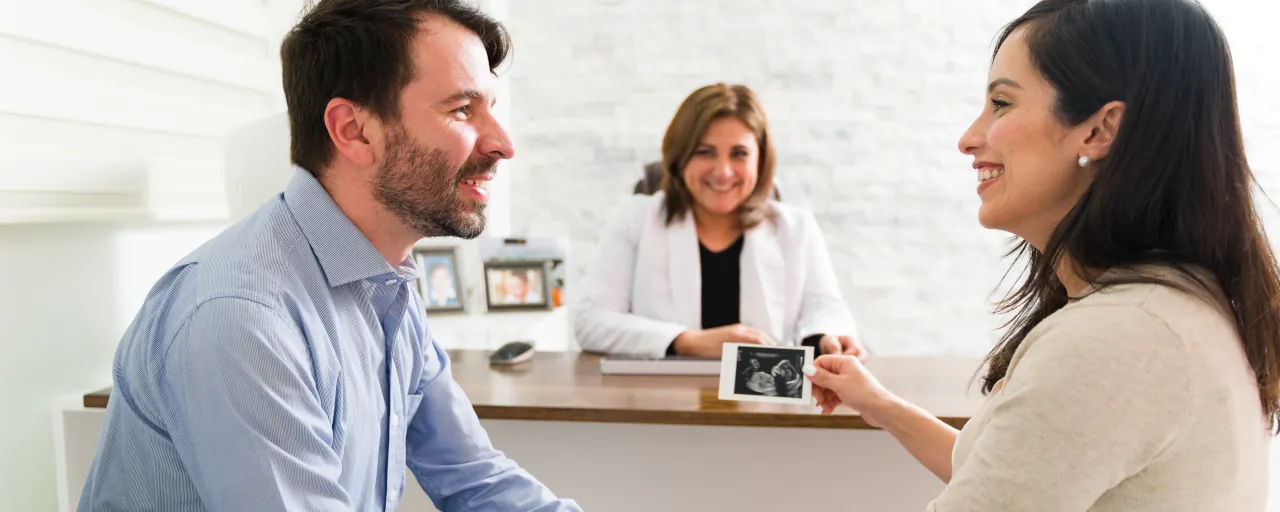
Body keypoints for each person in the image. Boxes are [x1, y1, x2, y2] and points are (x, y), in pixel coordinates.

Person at [77, 1, 580, 511]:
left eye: (492, 109)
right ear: (353, 130)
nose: (503, 143)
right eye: (461, 110)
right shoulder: (241, 316)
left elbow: (476, 479)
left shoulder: (385, 284)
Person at [803, 1, 1278, 510]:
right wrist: (879, 404)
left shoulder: (1116, 338)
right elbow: (1016, 471)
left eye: (1002, 104)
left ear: (1099, 131)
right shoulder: (1170, 306)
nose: (969, 139)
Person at [574, 83, 865, 360]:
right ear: (680, 157)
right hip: (661, 400)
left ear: (760, 160)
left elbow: (824, 308)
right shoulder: (636, 218)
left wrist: (828, 337)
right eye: (704, 152)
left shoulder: (796, 227)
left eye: (739, 154)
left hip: (764, 401)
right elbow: (591, 322)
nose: (723, 172)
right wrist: (688, 341)